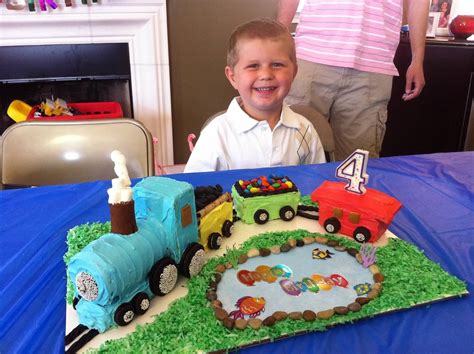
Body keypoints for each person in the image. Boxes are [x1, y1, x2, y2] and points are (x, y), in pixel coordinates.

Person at [277, 0, 429, 160]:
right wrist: (278, 41)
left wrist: (417, 58)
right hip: (311, 54)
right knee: (290, 155)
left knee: (356, 166)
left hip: (373, 63)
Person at [184, 18, 326, 172]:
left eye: (277, 65)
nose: (265, 75)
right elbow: (195, 190)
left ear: (294, 72)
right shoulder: (216, 134)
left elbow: (316, 183)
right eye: (253, 66)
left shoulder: (305, 130)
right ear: (233, 77)